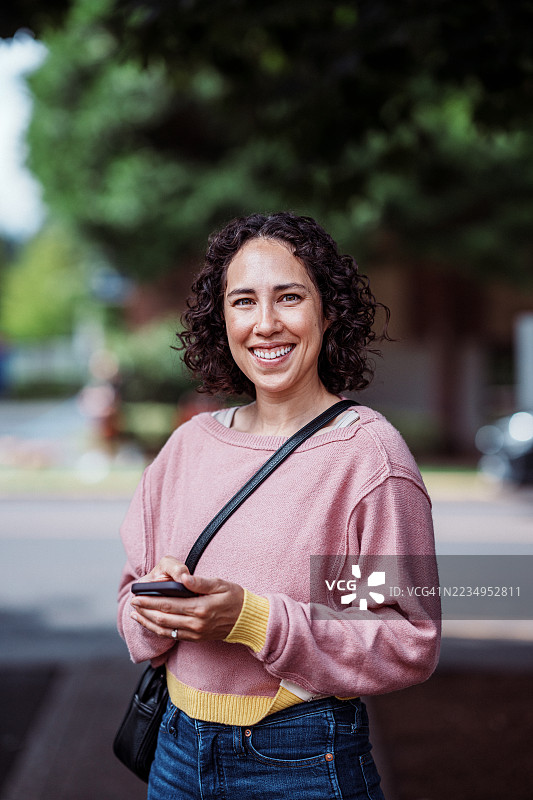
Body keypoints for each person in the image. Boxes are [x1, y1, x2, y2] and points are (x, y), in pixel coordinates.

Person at [117, 211, 441, 800]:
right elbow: (130, 594)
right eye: (243, 302)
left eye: (289, 297)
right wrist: (156, 612)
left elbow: (400, 637)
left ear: (328, 311)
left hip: (300, 760)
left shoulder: (362, 458)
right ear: (222, 320)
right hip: (173, 752)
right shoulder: (188, 447)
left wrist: (251, 620)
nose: (265, 324)